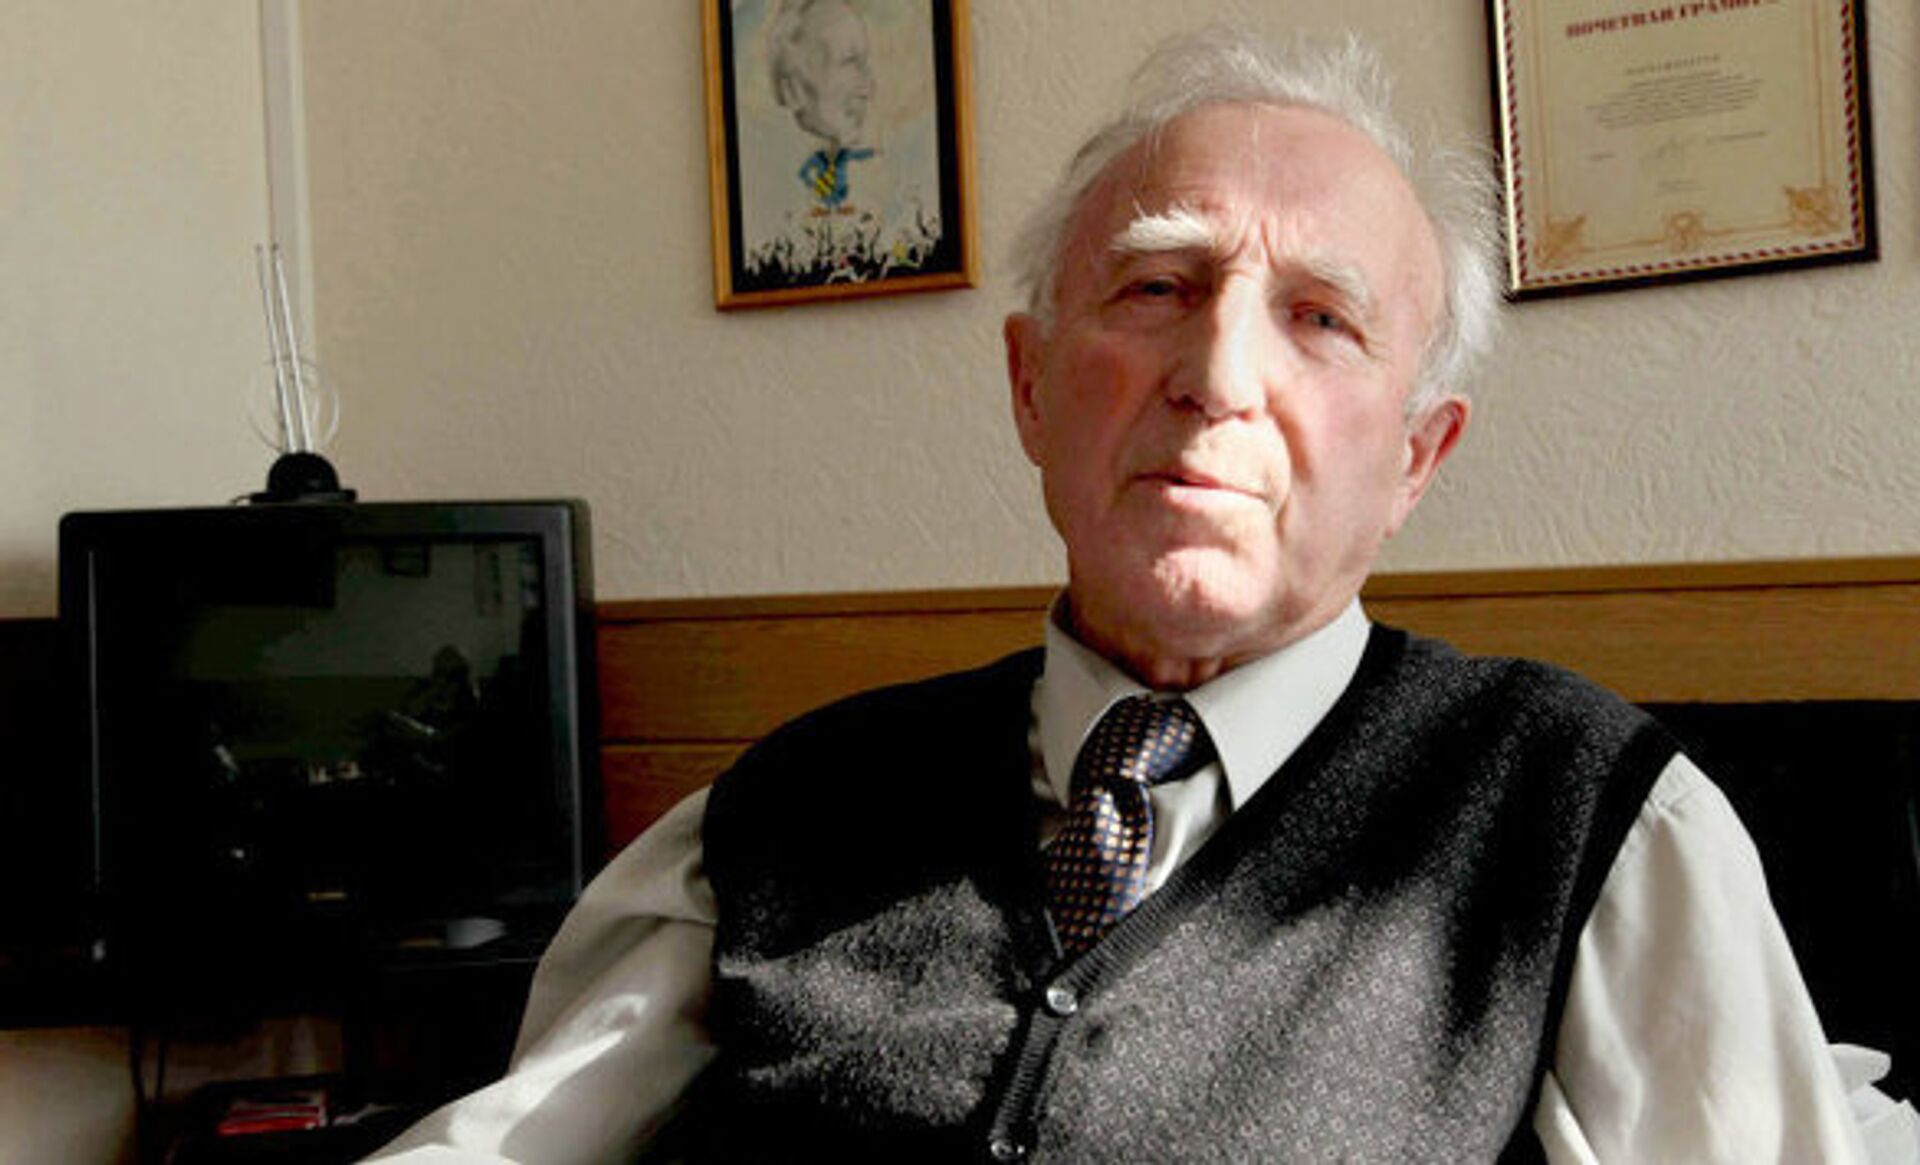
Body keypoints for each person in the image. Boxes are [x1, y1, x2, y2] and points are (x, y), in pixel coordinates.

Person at [373, 30, 1871, 1162]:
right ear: (1032, 385)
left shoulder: (1595, 819)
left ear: (1416, 457)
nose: (1218, 375)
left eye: (1320, 318)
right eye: (1157, 287)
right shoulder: (773, 815)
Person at [767, 0, 876, 213]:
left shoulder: (871, 170)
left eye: (863, 63)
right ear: (794, 90)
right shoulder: (768, 184)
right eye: (849, 62)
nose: (869, 88)